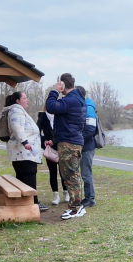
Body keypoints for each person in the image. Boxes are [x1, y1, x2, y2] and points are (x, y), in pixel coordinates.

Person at [45, 73, 87, 220]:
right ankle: (76, 206)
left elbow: (50, 107)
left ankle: (76, 208)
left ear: (62, 84)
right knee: (70, 174)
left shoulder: (71, 100)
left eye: (58, 84)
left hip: (69, 142)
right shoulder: (76, 99)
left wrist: (54, 91)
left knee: (71, 175)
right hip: (70, 141)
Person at [3, 91, 47, 211]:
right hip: (23, 152)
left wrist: (43, 141)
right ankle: (32, 204)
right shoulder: (16, 111)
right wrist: (25, 142)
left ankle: (24, 203)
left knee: (23, 177)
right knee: (29, 176)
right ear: (18, 101)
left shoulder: (17, 111)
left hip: (22, 153)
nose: (27, 100)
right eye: (25, 98)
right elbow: (17, 128)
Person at [37, 105, 67, 205]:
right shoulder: (42, 116)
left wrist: (54, 140)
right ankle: (55, 195)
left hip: (61, 147)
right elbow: (37, 131)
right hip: (49, 149)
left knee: (63, 171)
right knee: (52, 172)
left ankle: (66, 193)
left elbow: (65, 131)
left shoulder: (61, 115)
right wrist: (44, 141)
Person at [78, 86, 97, 207]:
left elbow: (90, 129)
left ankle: (90, 198)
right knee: (84, 173)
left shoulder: (88, 108)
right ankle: (87, 197)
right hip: (83, 145)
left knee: (86, 173)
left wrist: (79, 141)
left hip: (87, 146)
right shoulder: (82, 107)